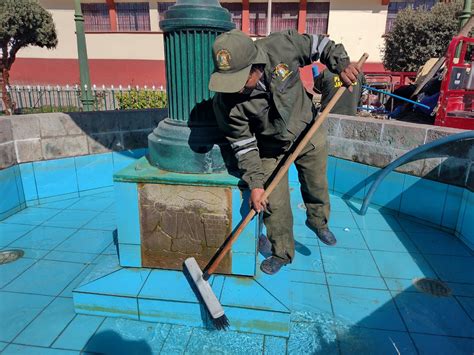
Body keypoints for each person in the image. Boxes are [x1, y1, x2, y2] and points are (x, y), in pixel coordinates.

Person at [209, 29, 359, 275]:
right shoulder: (225, 104)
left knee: (317, 184)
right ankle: (281, 252)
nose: (232, 90)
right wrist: (256, 184)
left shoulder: (280, 47)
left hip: (308, 130)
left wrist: (341, 64)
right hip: (271, 149)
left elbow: (319, 44)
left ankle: (318, 222)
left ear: (254, 65)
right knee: (273, 204)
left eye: (237, 80)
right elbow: (244, 146)